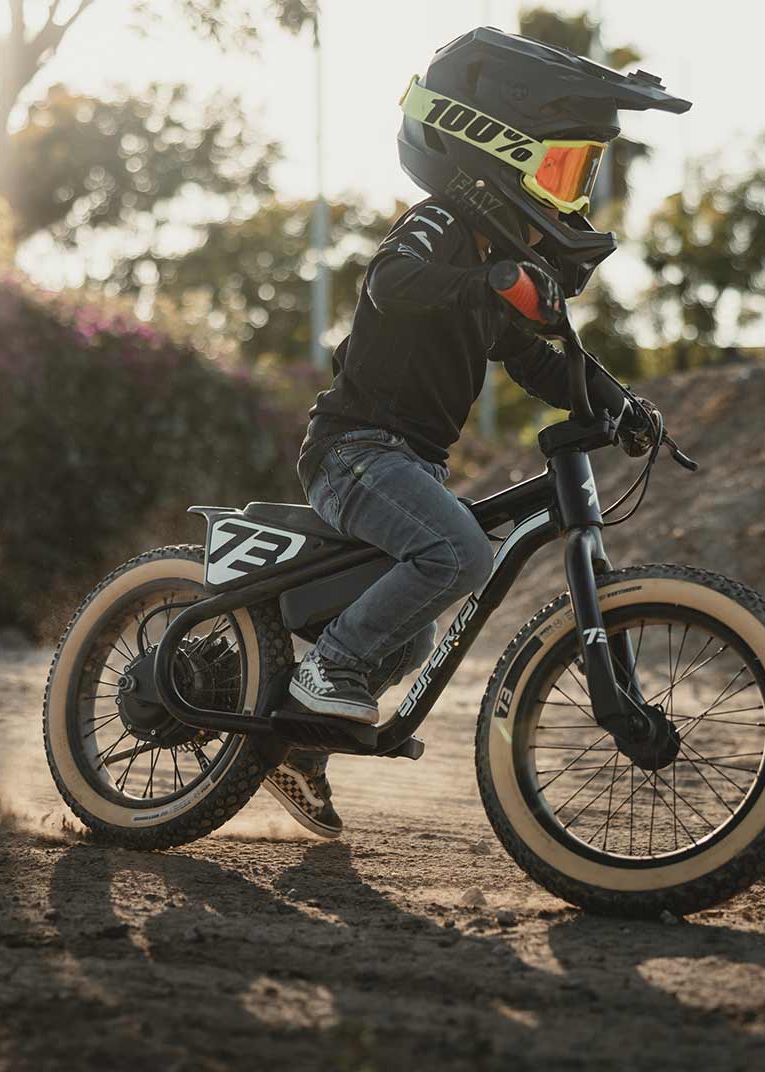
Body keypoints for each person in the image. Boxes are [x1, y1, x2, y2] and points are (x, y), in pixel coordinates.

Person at [262, 27, 687, 838]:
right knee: (460, 553)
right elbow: (392, 283)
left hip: (406, 464)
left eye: (581, 175)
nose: (572, 192)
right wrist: (489, 277)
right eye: (562, 169)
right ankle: (329, 674)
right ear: (498, 155)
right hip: (352, 451)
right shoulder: (440, 226)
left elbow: (544, 365)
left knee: (415, 631)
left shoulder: (494, 277)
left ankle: (296, 747)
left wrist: (621, 404)